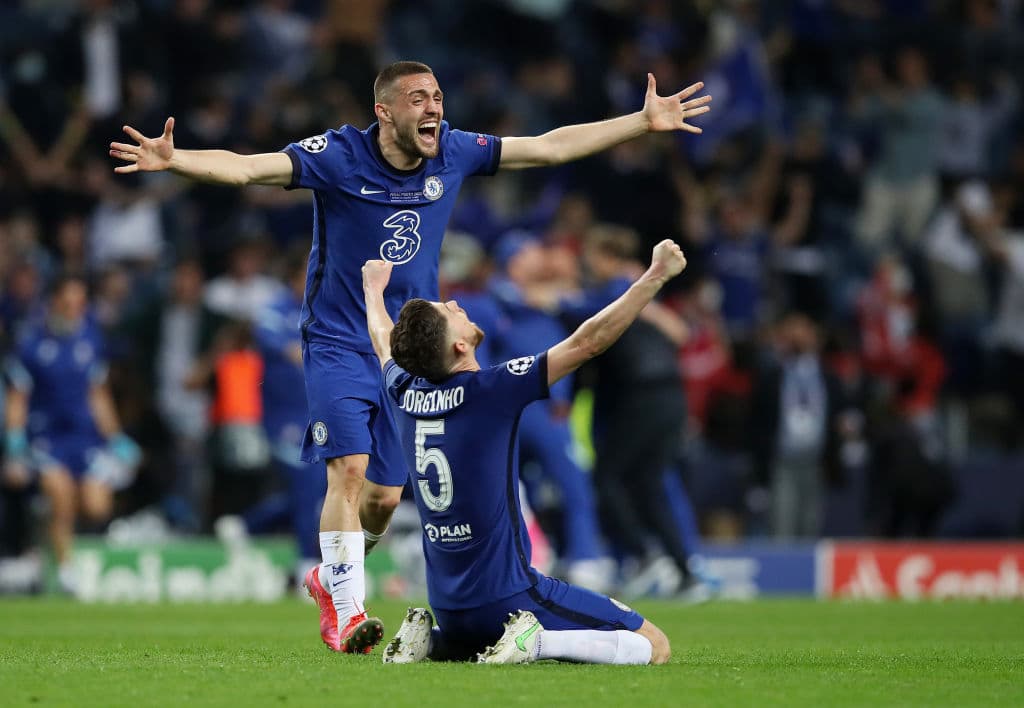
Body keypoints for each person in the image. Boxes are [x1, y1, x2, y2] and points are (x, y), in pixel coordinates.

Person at [109, 60, 712, 653]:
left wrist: (640, 121)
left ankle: (330, 575)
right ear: (385, 110)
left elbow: (548, 148)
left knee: (383, 497)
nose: (434, 108)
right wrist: (177, 159)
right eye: (419, 98)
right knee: (347, 468)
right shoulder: (338, 155)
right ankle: (346, 612)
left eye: (438, 96)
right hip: (341, 338)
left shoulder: (453, 150)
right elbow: (247, 169)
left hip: (411, 350)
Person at [362, 238, 687, 665]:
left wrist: (371, 291)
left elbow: (383, 342)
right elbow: (587, 342)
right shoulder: (492, 390)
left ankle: (436, 641)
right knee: (655, 646)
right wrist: (654, 277)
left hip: (448, 605)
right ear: (460, 347)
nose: (458, 305)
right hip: (510, 597)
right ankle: (535, 642)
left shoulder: (402, 391)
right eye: (451, 313)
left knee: (472, 635)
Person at [2, 273, 141, 595]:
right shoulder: (31, 343)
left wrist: (116, 437)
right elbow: (17, 397)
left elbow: (98, 395)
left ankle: (44, 531)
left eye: (80, 304)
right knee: (61, 495)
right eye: (68, 303)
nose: (74, 310)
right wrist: (14, 442)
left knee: (96, 506)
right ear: (54, 303)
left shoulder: (91, 340)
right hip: (46, 438)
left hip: (85, 438)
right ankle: (65, 572)